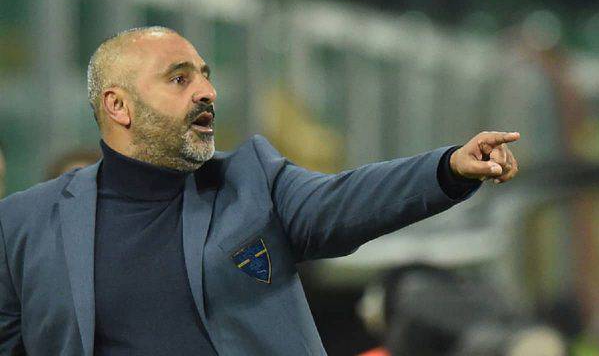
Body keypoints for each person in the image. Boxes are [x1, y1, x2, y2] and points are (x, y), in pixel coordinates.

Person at [0, 26, 520, 355]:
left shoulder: (253, 181)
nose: (207, 92)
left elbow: (343, 200)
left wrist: (447, 169)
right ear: (118, 106)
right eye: (179, 79)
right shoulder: (21, 225)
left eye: (205, 76)